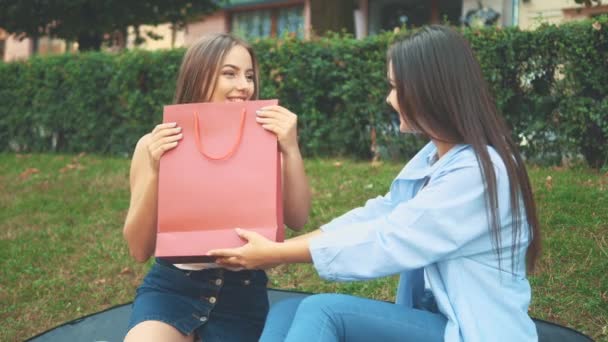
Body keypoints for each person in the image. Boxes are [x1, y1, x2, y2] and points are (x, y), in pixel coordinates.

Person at [209, 25, 542, 342]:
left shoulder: (481, 173)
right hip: (437, 321)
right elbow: (378, 215)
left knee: (322, 310)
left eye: (396, 87)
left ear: (429, 90)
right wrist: (274, 252)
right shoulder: (434, 158)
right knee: (284, 313)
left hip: (475, 332)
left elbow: (389, 240)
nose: (390, 99)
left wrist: (277, 254)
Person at [122, 33, 311, 342]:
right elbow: (138, 249)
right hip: (172, 286)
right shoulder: (154, 144)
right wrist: (158, 172)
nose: (244, 85)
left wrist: (290, 149)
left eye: (249, 75)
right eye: (230, 73)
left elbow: (298, 218)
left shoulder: (266, 142)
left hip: (243, 293)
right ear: (199, 75)